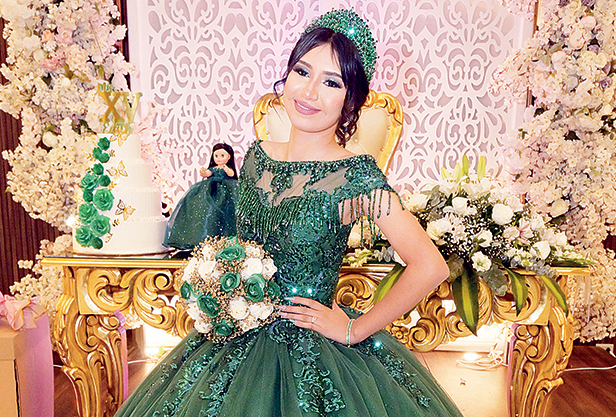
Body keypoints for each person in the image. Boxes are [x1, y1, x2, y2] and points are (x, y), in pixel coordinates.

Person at [116, 9, 463, 416]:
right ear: (287, 76)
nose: (309, 91)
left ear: (351, 99)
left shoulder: (354, 176)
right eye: (302, 71)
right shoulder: (256, 158)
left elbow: (430, 266)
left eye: (331, 82)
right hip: (236, 340)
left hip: (314, 351)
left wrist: (354, 328)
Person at [163, 143, 238, 251]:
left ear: (229, 156)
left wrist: (227, 170)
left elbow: (231, 174)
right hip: (211, 189)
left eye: (222, 155)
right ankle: (207, 239)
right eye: (216, 156)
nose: (219, 158)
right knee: (207, 211)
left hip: (226, 190)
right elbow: (207, 173)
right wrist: (204, 172)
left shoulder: (227, 168)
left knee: (226, 211)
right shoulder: (213, 168)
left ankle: (226, 240)